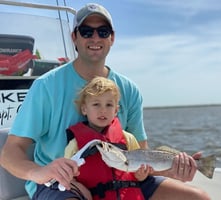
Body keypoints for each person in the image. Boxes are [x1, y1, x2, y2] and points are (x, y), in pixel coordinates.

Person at [0, 3, 210, 200]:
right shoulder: (45, 87)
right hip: (59, 182)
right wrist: (39, 172)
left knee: (200, 197)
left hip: (119, 180)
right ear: (74, 37)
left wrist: (173, 170)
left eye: (103, 32)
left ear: (112, 38)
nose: (95, 38)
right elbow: (10, 153)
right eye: (86, 31)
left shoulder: (129, 89)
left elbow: (140, 155)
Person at [64, 76, 152, 199]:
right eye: (96, 104)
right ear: (84, 109)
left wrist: (141, 175)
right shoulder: (75, 145)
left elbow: (139, 170)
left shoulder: (128, 139)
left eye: (109, 105)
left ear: (116, 110)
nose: (103, 110)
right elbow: (68, 177)